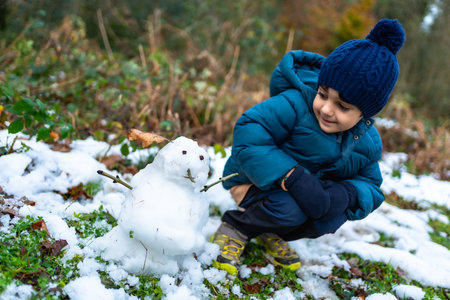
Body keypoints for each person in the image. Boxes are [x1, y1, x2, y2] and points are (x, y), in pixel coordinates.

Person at [210, 19, 406, 276]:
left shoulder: (366, 143)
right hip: (251, 181)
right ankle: (237, 226)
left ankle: (270, 229)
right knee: (290, 209)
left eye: (343, 107)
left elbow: (371, 185)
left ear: (364, 115)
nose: (326, 108)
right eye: (323, 94)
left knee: (331, 214)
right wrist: (291, 176)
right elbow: (249, 131)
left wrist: (346, 194)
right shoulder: (295, 104)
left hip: (295, 194)